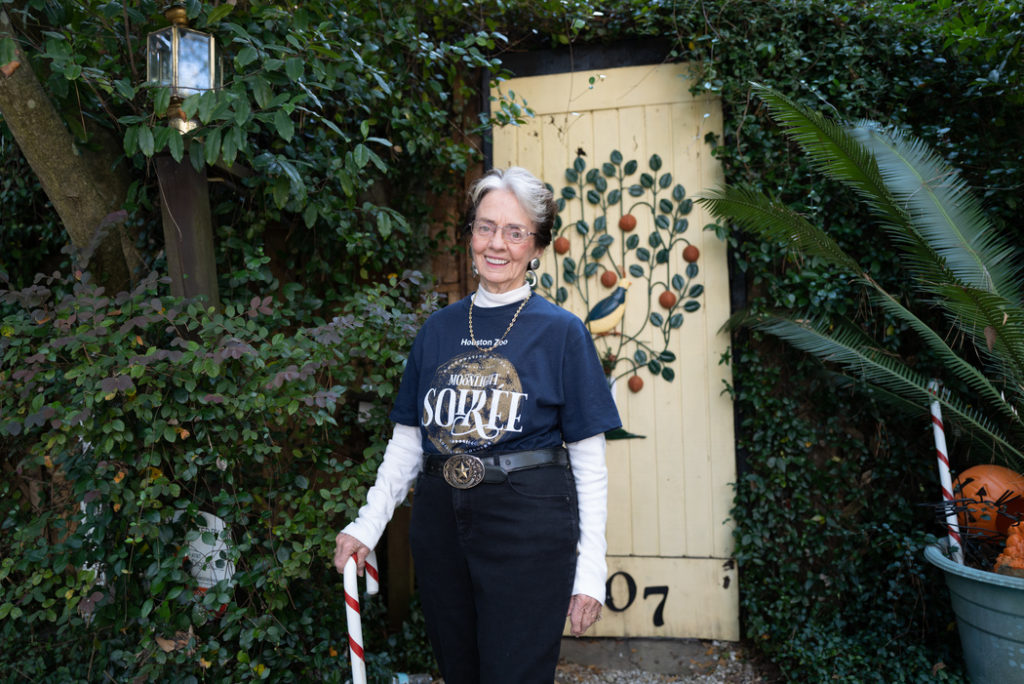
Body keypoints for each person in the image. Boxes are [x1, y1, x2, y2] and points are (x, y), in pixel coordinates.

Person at [333, 166, 621, 684]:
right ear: (469, 235)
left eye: (515, 232)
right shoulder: (438, 330)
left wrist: (590, 570)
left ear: (536, 246)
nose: (497, 244)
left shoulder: (562, 333)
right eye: (485, 227)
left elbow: (589, 463)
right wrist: (368, 524)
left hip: (528, 527)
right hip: (441, 526)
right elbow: (407, 443)